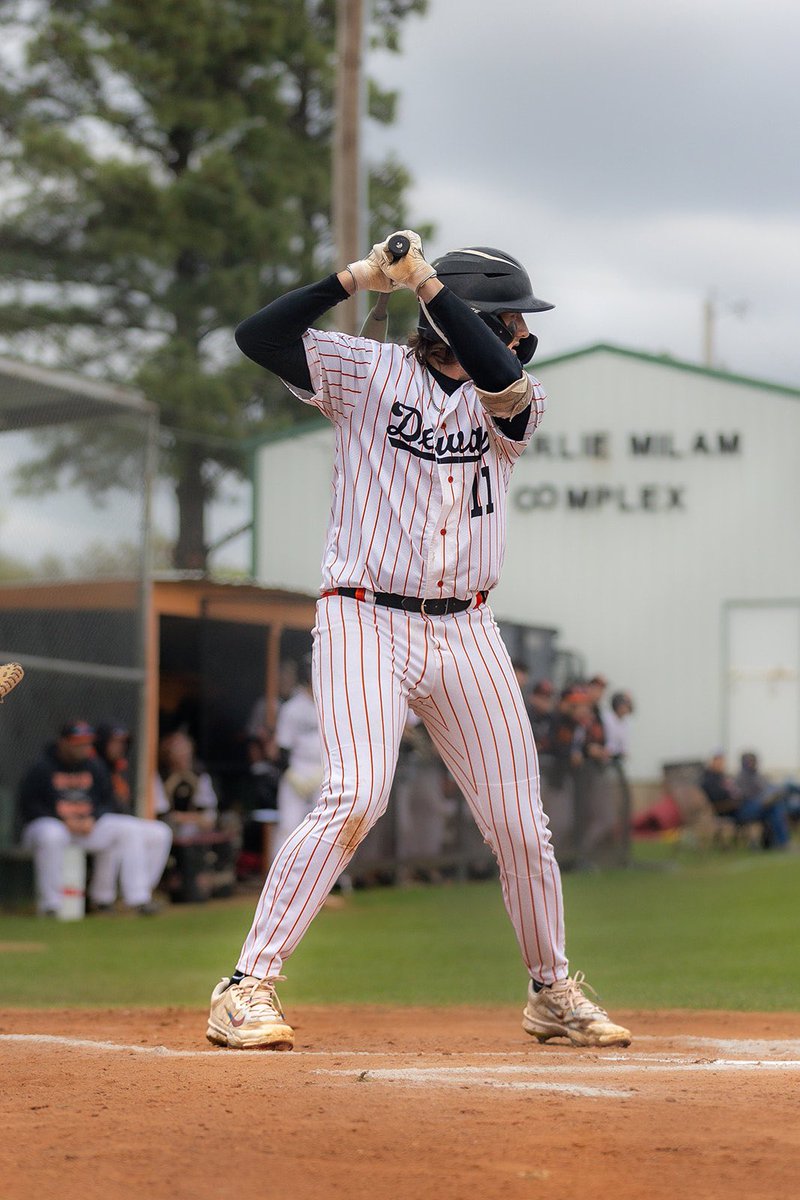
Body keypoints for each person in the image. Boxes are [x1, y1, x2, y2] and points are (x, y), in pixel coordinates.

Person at [206, 231, 631, 1051]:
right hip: (364, 614)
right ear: (473, 318)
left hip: (467, 626)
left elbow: (501, 377)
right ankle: (245, 986)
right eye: (509, 319)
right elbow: (257, 338)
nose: (521, 334)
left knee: (519, 822)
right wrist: (357, 278)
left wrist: (431, 285)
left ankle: (551, 991)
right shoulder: (367, 372)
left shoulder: (516, 398)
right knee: (356, 794)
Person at [18, 720, 171, 916]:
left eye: (86, 743)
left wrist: (93, 817)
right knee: (51, 834)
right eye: (77, 743)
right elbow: (29, 805)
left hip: (85, 827)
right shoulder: (41, 768)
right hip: (52, 826)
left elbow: (107, 801)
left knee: (128, 828)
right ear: (63, 743)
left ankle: (135, 899)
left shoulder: (95, 767)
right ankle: (51, 905)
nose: (83, 747)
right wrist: (62, 819)